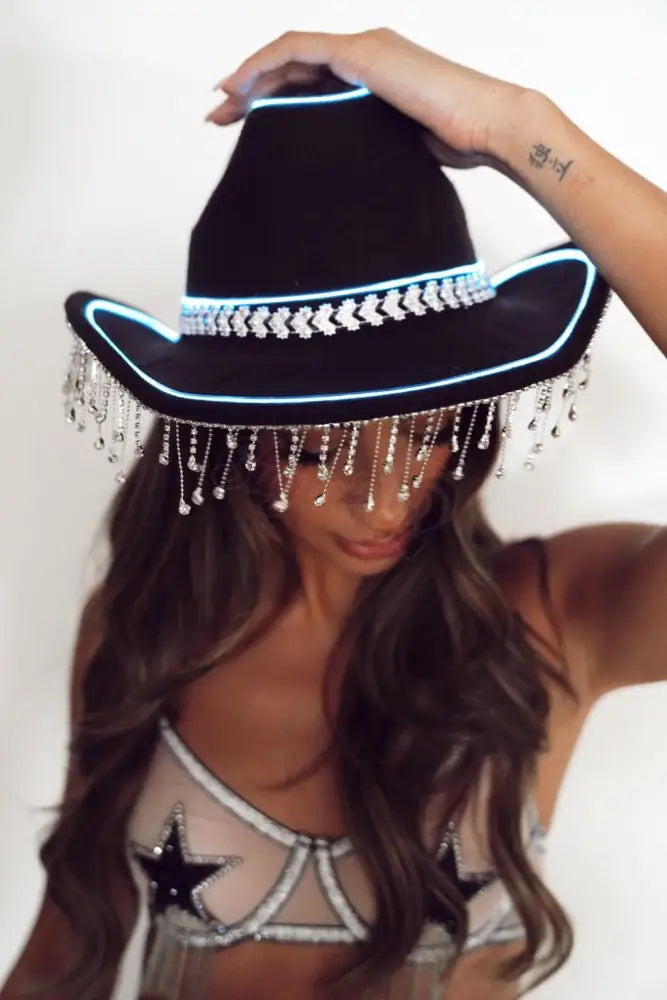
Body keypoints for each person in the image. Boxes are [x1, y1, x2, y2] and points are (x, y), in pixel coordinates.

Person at [2, 26, 666, 1000]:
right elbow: (61, 960)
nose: (386, 490)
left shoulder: (559, 613)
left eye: (431, 431)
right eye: (320, 450)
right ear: (229, 436)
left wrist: (519, 126)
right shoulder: (144, 628)